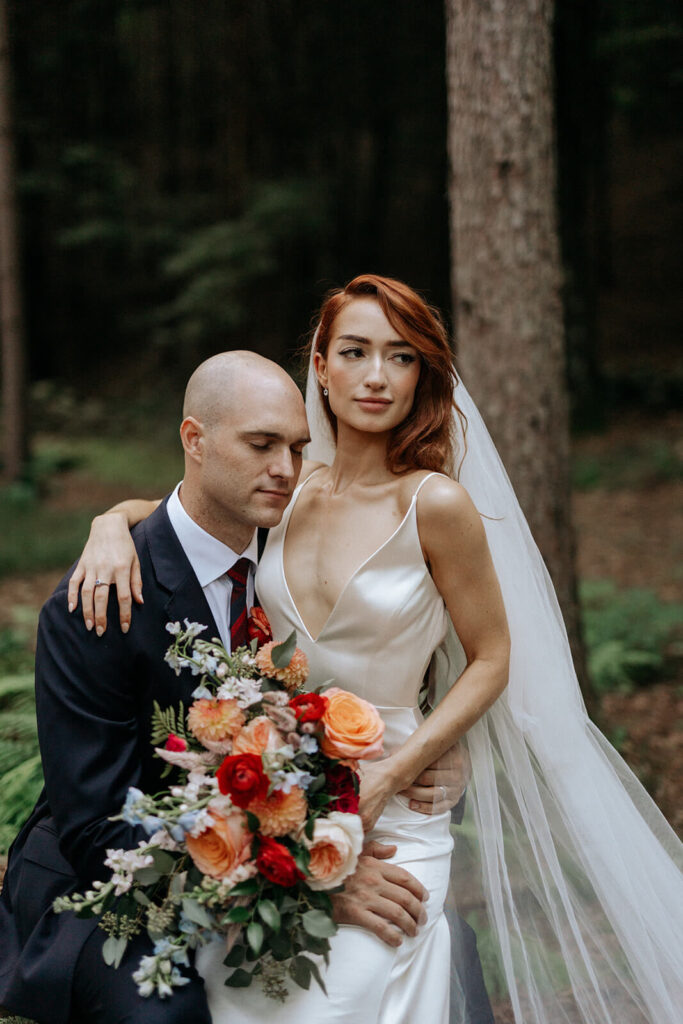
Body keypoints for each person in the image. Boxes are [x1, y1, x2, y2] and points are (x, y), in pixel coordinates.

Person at [66, 274, 683, 1024]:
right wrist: (108, 523)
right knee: (235, 994)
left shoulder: (434, 504)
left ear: (422, 374)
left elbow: (490, 657)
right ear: (319, 368)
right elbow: (184, 509)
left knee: (338, 999)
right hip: (278, 801)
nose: (375, 376)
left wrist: (402, 766)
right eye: (354, 352)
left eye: (400, 357)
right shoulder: (285, 490)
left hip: (397, 808)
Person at [0, 350, 473, 1024]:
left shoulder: (284, 561)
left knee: (437, 953)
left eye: (296, 447)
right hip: (110, 883)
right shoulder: (103, 599)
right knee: (168, 1013)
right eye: (260, 445)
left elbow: (363, 678)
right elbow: (98, 828)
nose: (284, 468)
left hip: (271, 848)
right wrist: (307, 881)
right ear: (194, 440)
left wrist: (431, 755)